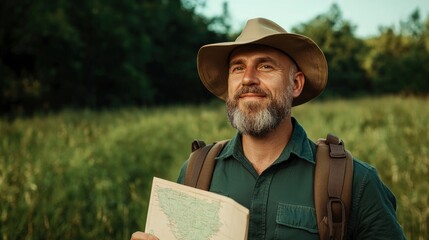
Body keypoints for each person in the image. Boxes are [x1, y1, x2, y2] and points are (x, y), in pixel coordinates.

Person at [131, 18, 405, 240]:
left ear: (295, 84)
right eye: (238, 68)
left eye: (265, 65)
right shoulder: (196, 171)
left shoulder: (353, 181)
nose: (248, 78)